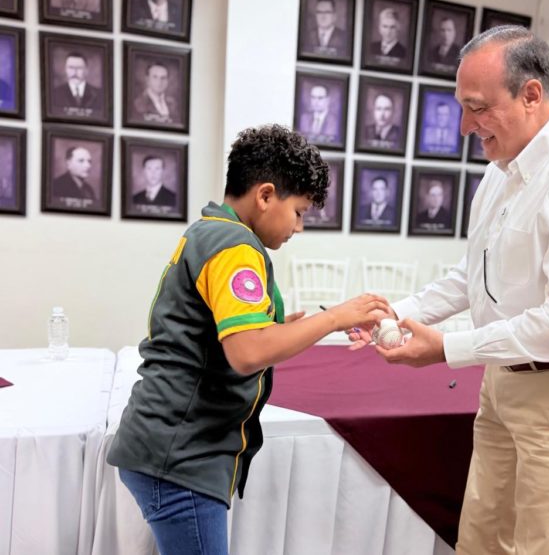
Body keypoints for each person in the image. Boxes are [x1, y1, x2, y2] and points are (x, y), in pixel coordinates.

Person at [349, 25, 549, 555]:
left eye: (478, 108)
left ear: (531, 94)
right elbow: (472, 275)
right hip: (504, 378)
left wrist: (448, 348)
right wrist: (393, 311)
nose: (466, 126)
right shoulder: (500, 172)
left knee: (544, 549)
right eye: (462, 108)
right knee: (479, 540)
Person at [107, 125, 388, 555]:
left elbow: (228, 331)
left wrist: (287, 326)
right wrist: (333, 317)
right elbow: (248, 352)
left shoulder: (211, 230)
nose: (299, 227)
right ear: (265, 195)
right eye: (299, 212)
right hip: (181, 456)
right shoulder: (235, 246)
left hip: (169, 447)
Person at [50, 52, 103, 117]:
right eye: (71, 67)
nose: (74, 71)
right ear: (65, 69)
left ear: (86, 70)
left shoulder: (100, 94)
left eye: (79, 68)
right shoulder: (55, 93)